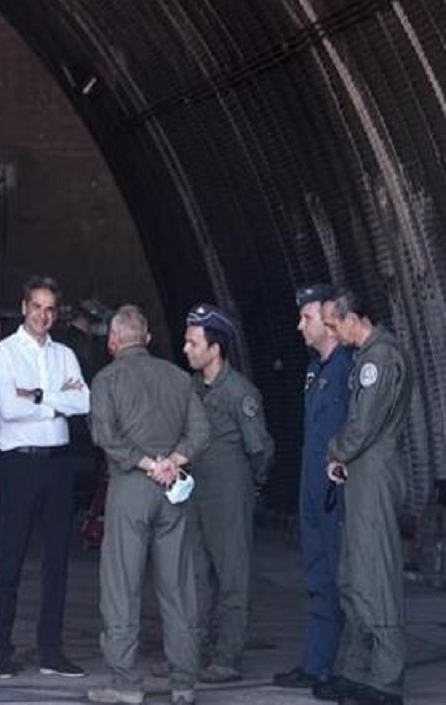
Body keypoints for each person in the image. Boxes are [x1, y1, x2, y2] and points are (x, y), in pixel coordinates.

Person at [86, 305, 210, 705]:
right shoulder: (178, 377)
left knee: (122, 586)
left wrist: (147, 464)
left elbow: (105, 436)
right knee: (178, 587)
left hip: (130, 489)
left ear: (113, 341)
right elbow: (201, 431)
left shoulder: (107, 380)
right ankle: (184, 683)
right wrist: (171, 461)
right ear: (149, 338)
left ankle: (126, 684)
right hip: (173, 491)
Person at [0, 276, 91, 679]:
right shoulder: (4, 353)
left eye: (50, 310)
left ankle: (51, 652)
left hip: (59, 464)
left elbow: (84, 401)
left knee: (57, 560)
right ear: (23, 307)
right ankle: (1, 653)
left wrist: (40, 395)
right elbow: (9, 409)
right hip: (20, 464)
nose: (43, 316)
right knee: (10, 558)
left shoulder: (65, 354)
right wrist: (58, 403)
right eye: (36, 307)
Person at [317, 288, 412, 705]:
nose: (333, 333)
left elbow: (364, 424)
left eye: (334, 324)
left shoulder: (380, 358)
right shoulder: (366, 357)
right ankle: (357, 670)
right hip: (361, 474)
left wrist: (335, 451)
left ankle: (386, 679)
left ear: (353, 319)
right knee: (353, 573)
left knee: (376, 574)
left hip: (375, 474)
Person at [181, 304, 274, 683]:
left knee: (232, 573)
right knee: (195, 575)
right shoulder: (190, 388)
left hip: (229, 491)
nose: (186, 349)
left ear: (215, 348)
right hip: (194, 493)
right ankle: (192, 651)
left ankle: (227, 656)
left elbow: (260, 449)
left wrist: (250, 486)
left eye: (193, 343)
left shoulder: (240, 393)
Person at [272, 284, 352, 690]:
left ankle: (350, 668)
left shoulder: (349, 368)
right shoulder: (314, 369)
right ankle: (316, 663)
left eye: (306, 318)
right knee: (318, 574)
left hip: (338, 492)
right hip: (312, 486)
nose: (299, 325)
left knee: (345, 577)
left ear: (329, 321)